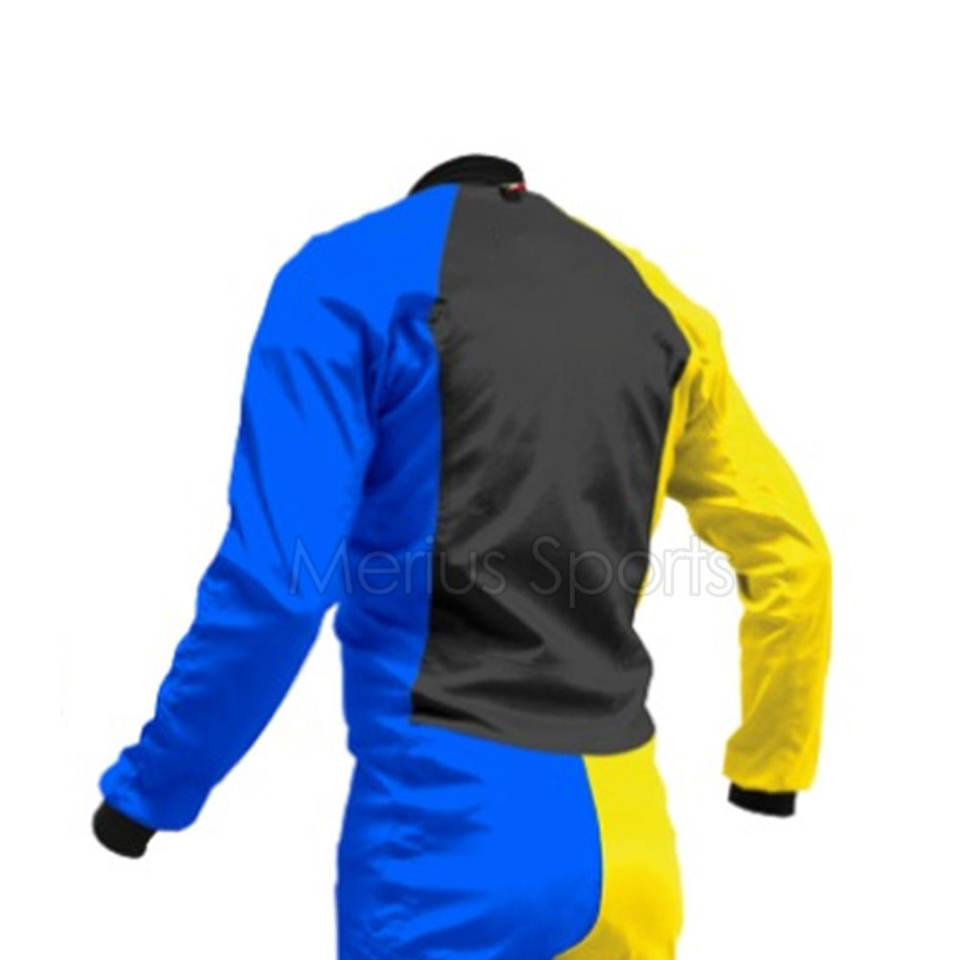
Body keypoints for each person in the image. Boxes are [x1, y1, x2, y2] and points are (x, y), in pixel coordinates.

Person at [94, 155, 832, 960]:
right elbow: (793, 554)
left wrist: (151, 792)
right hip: (632, 847)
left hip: (449, 846)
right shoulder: (661, 305)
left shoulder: (349, 277)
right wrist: (769, 767)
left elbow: (281, 582)